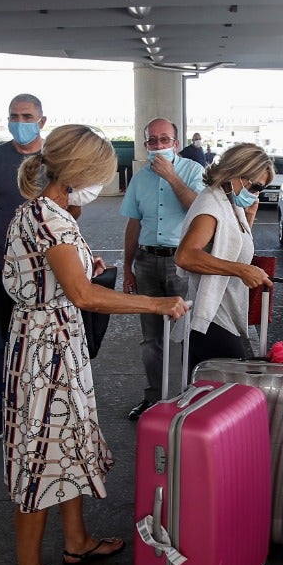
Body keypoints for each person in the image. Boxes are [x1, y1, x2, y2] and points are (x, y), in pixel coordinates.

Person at [2, 125, 189, 565]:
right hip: (45, 354)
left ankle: (77, 541)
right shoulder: (51, 220)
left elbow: (66, 279)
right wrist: (157, 303)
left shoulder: (50, 214)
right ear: (78, 173)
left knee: (66, 442)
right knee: (41, 451)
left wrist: (88, 267)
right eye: (100, 175)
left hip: (55, 346)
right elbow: (84, 295)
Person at [0, 94, 59, 441]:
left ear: (42, 120)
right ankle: (5, 412)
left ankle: (47, 409)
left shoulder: (55, 161)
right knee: (4, 340)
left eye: (26, 116)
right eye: (14, 115)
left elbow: (72, 211)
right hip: (4, 264)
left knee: (50, 339)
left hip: (50, 265)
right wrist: (13, 237)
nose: (19, 121)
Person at [120, 117, 205, 417]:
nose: (158, 146)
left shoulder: (194, 171)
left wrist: (171, 177)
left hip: (181, 261)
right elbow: (134, 222)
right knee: (151, 339)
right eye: (152, 141)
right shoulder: (139, 178)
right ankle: (155, 398)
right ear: (145, 145)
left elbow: (197, 211)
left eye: (164, 139)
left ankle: (190, 399)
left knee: (188, 334)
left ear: (176, 143)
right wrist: (127, 267)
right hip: (146, 262)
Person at [174, 142, 275, 370]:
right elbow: (185, 256)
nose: (257, 194)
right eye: (256, 187)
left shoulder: (228, 201)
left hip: (222, 314)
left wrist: (248, 217)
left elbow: (232, 246)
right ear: (236, 173)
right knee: (224, 393)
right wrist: (241, 270)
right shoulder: (212, 205)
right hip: (211, 317)